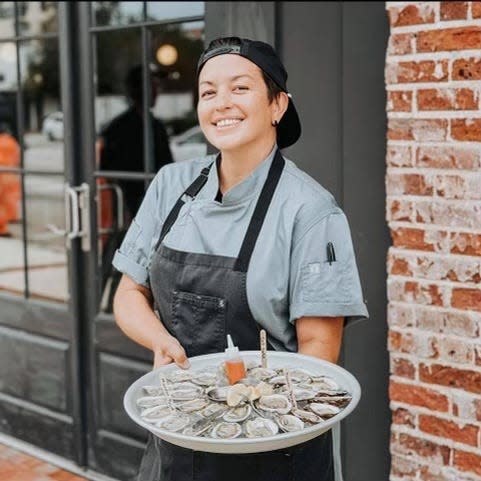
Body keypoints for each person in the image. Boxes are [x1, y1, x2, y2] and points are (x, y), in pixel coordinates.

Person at [112, 36, 369, 481]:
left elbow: (319, 354)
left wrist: (254, 410)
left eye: (240, 88)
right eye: (208, 91)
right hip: (178, 432)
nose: (221, 103)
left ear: (278, 105)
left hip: (274, 453)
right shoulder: (171, 185)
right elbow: (129, 292)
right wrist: (161, 341)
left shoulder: (310, 211)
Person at [97, 64, 174, 311]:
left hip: (153, 212)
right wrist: (124, 209)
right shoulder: (118, 128)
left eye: (157, 86)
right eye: (152, 86)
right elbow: (106, 173)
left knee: (144, 272)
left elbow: (167, 172)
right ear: (136, 90)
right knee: (114, 267)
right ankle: (105, 313)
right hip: (126, 213)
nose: (157, 91)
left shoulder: (156, 127)